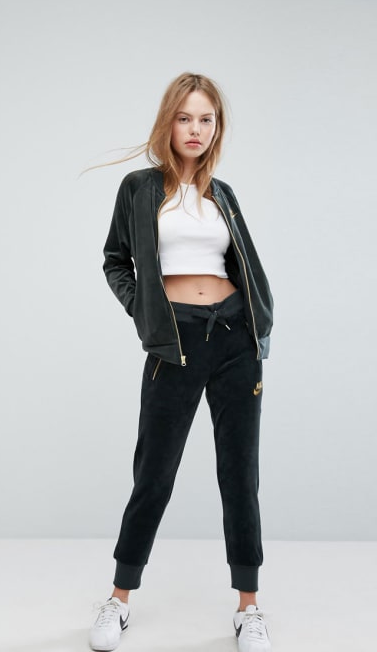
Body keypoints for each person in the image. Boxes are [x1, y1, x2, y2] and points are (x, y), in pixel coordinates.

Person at [88, 72, 273, 652]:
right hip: (177, 340)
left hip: (235, 337)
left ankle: (249, 609)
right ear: (168, 122)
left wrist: (257, 324)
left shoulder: (224, 194)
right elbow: (116, 260)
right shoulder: (140, 188)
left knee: (240, 475)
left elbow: (242, 264)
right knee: (155, 473)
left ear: (217, 128)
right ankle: (118, 600)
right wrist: (146, 312)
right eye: (185, 117)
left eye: (206, 119)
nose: (195, 129)